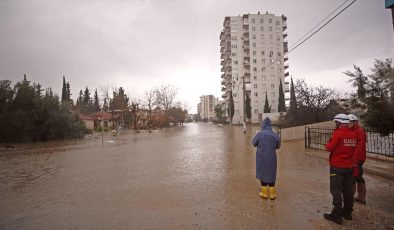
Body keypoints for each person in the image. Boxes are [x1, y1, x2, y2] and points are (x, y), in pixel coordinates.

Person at [324, 113, 358, 225]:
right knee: (348, 190)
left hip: (337, 166)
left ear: (339, 123)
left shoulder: (338, 133)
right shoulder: (353, 134)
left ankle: (336, 215)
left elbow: (329, 148)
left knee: (336, 190)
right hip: (349, 166)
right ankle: (348, 212)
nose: (335, 124)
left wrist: (328, 143)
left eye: (336, 123)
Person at [252, 117, 281, 200]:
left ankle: (264, 193)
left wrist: (257, 135)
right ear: (270, 125)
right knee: (271, 174)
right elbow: (278, 146)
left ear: (263, 125)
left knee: (262, 174)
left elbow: (254, 143)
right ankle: (272, 194)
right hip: (271, 158)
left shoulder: (260, 134)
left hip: (261, 158)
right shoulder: (274, 134)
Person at [348, 114, 367, 204]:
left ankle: (354, 197)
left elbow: (359, 147)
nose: (348, 123)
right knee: (358, 176)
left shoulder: (360, 131)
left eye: (350, 121)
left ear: (355, 122)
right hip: (355, 157)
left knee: (354, 177)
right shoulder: (352, 130)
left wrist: (354, 161)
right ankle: (360, 197)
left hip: (358, 158)